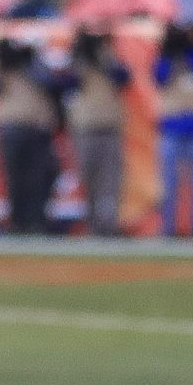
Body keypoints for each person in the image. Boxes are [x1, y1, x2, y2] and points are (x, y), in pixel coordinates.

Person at [0, 35, 65, 234]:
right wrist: (13, 57)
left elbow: (51, 84)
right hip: (13, 128)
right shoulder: (6, 67)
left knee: (41, 176)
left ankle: (36, 220)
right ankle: (18, 222)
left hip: (37, 129)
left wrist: (31, 61)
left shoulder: (38, 69)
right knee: (16, 178)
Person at [62, 26, 130, 237]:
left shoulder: (108, 60)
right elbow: (66, 83)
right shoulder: (78, 62)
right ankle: (93, 224)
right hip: (85, 127)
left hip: (109, 126)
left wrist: (104, 57)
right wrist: (81, 57)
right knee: (89, 177)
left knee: (110, 180)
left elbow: (124, 77)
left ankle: (108, 225)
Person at [154, 22, 193, 236]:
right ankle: (168, 231)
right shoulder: (169, 60)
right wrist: (172, 48)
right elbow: (159, 75)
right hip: (172, 130)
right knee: (169, 187)